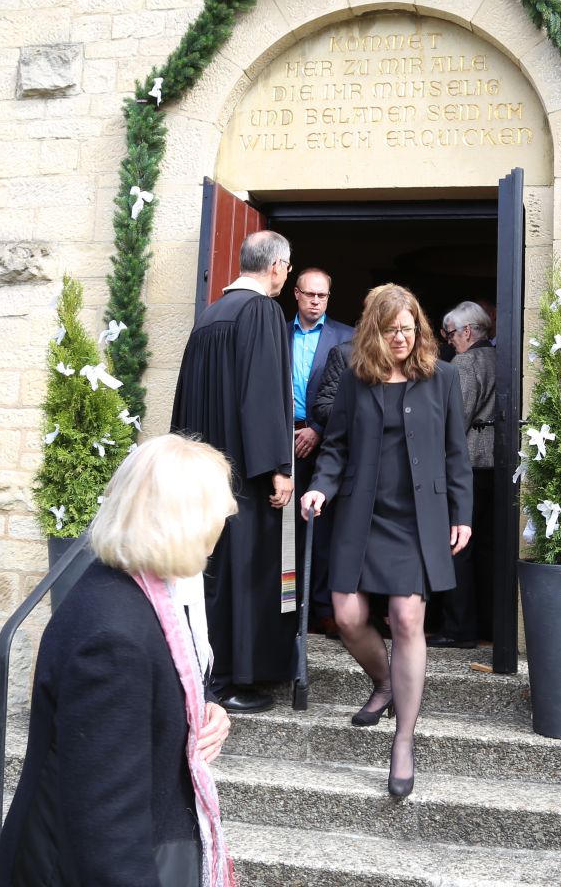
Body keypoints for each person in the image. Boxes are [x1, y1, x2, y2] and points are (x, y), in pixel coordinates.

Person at [0, 434, 237, 887]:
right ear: (184, 522)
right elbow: (106, 828)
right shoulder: (113, 637)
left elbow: (159, 693)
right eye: (217, 518)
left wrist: (207, 709)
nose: (223, 531)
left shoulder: (137, 594)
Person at [301, 284, 471, 798]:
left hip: (418, 516)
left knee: (406, 618)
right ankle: (385, 682)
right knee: (348, 615)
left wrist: (462, 513)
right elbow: (335, 449)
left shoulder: (442, 378)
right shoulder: (357, 380)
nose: (400, 337)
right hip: (362, 512)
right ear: (374, 330)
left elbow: (456, 453)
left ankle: (403, 738)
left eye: (408, 328)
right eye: (390, 328)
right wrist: (318, 489)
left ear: (418, 329)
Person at [170, 229, 295, 714]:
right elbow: (262, 398)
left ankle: (205, 673)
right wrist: (278, 469)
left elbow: (183, 400)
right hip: (243, 477)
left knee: (208, 575)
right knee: (245, 575)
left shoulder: (209, 317)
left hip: (202, 475)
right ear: (277, 267)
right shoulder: (261, 311)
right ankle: (234, 677)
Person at [289, 267, 353, 636]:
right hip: (283, 440)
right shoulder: (275, 334)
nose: (315, 301)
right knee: (284, 529)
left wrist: (318, 428)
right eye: (310, 294)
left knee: (326, 528)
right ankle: (287, 607)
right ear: (296, 294)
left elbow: (351, 401)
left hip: (328, 442)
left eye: (322, 296)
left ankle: (324, 608)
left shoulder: (348, 337)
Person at [431, 301, 496, 649]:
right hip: (493, 469)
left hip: (468, 467)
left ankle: (458, 628)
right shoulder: (500, 357)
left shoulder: (467, 362)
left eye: (452, 334)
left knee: (458, 546)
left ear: (468, 332)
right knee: (486, 548)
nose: (450, 341)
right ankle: (486, 623)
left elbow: (457, 418)